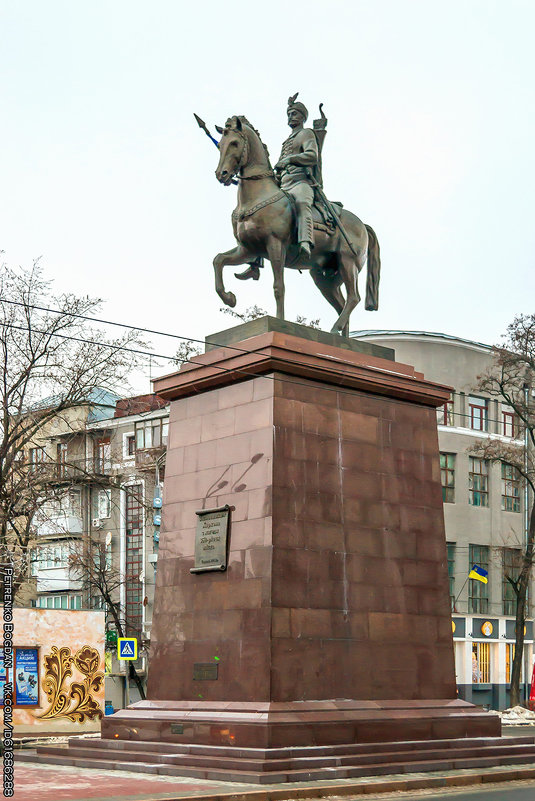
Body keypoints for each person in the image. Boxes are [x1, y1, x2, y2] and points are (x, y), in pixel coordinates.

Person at [235, 93, 320, 281]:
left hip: (300, 183)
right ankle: (255, 264)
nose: (291, 117)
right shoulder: (286, 141)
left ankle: (306, 242)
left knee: (302, 204)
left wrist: (291, 159)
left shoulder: (306, 134)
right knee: (262, 217)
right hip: (283, 185)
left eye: (295, 113)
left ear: (302, 117)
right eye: (289, 114)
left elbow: (312, 156)